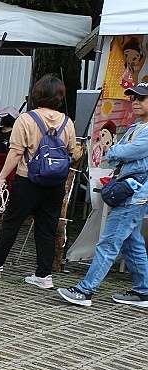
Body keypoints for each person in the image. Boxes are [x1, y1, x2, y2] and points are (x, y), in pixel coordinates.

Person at [0, 75, 77, 289]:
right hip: (55, 184)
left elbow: (16, 152)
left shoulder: (26, 119)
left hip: (27, 181)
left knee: (12, 224)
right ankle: (44, 276)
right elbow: (72, 152)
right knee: (47, 229)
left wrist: (1, 177)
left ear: (37, 93)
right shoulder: (68, 122)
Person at [58, 81, 148, 308]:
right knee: (131, 242)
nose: (135, 102)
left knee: (109, 242)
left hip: (134, 193)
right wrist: (118, 152)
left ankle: (85, 290)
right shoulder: (136, 127)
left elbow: (123, 151)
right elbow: (118, 154)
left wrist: (116, 151)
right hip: (132, 192)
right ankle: (143, 291)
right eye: (133, 98)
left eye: (141, 98)